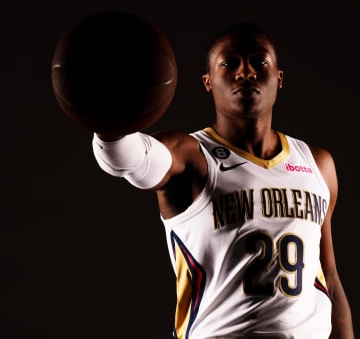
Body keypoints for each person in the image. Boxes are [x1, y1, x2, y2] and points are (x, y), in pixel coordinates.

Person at [91, 22, 354, 338]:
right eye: (229, 63)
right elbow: (129, 157)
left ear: (279, 78)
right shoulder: (191, 156)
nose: (246, 72)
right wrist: (108, 121)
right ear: (208, 82)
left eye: (260, 61)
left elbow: (329, 277)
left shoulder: (318, 163)